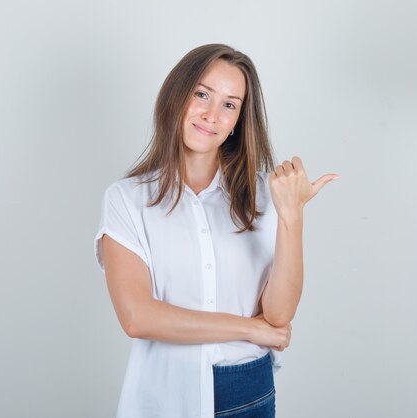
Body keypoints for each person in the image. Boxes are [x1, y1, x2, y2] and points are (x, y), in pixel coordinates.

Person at [94, 43, 338, 418]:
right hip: (166, 392)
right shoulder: (127, 199)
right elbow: (137, 317)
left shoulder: (265, 195)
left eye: (229, 104)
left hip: (248, 391)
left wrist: (291, 217)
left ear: (239, 119)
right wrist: (248, 329)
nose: (211, 114)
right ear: (177, 96)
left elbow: (277, 316)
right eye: (202, 94)